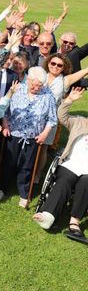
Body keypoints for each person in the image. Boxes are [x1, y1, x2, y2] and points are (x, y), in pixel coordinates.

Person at [0, 67, 57, 208]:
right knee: (8, 163)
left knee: (27, 166)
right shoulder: (17, 89)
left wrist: (44, 134)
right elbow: (4, 109)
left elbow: (52, 119)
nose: (36, 88)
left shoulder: (48, 96)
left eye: (39, 85)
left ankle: (24, 194)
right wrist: (5, 124)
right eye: (33, 84)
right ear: (28, 80)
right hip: (13, 133)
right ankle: (1, 188)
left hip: (32, 137)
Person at [33, 87, 88, 244]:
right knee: (64, 181)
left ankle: (74, 224)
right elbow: (61, 116)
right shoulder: (79, 122)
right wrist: (69, 100)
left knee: (86, 182)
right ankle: (48, 216)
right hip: (71, 164)